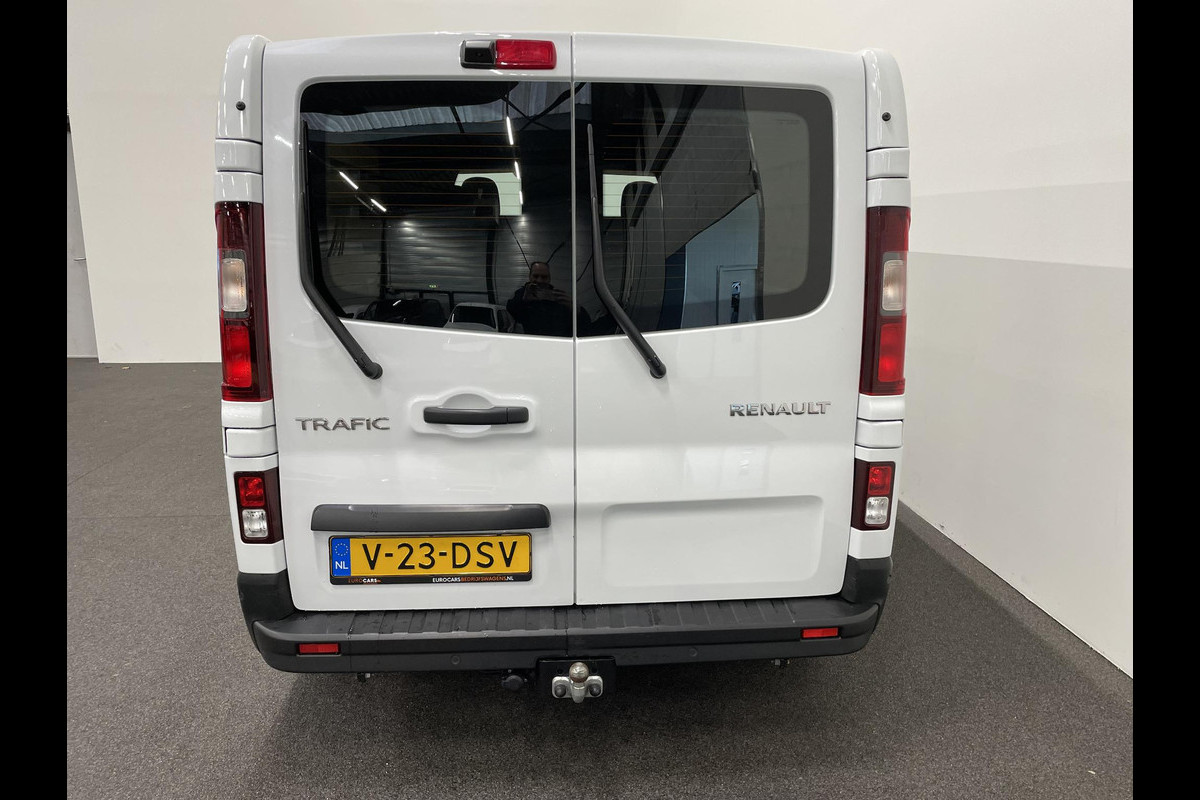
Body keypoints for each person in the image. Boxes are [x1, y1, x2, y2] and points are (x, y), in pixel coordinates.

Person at [506, 261, 586, 337]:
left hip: (557, 341)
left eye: (544, 277)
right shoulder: (522, 294)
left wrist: (577, 310)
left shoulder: (558, 297)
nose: (539, 280)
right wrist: (523, 300)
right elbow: (512, 311)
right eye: (535, 276)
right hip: (531, 341)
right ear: (530, 277)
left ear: (549, 279)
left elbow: (579, 326)